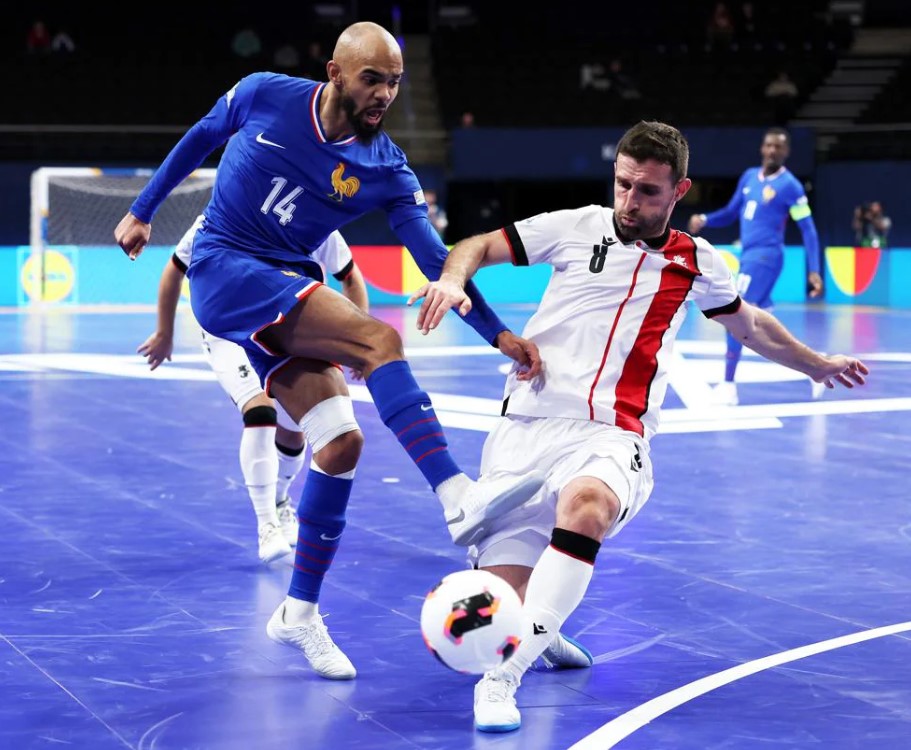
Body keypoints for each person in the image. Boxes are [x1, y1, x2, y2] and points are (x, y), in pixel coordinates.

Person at [114, 21, 544, 681]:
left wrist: (499, 335)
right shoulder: (264, 94)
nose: (385, 95)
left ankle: (298, 613)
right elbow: (202, 134)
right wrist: (143, 209)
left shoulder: (387, 169)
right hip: (225, 267)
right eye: (373, 79)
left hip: (286, 285)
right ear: (335, 73)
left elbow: (437, 262)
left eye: (395, 83)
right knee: (380, 339)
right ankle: (457, 495)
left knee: (340, 444)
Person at [409, 120, 869, 732]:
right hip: (525, 430)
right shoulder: (575, 226)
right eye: (623, 184)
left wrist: (817, 364)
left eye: (647, 191)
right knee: (499, 609)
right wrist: (450, 279)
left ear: (679, 191)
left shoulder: (696, 261)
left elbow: (752, 325)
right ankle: (540, 627)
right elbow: (478, 245)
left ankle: (503, 679)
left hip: (613, 433)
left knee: (588, 506)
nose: (629, 201)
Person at [139, 218, 368, 565]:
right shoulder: (217, 216)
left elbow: (350, 277)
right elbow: (174, 269)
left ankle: (279, 497)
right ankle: (267, 524)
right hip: (227, 327)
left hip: (286, 325)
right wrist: (164, 332)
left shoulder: (316, 219)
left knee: (294, 427)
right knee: (260, 411)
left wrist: (358, 340)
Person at [687, 127, 824, 405]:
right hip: (749, 256)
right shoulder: (749, 177)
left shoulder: (791, 186)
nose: (772, 150)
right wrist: (705, 219)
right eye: (769, 145)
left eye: (778, 147)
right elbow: (731, 213)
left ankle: (728, 385)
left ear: (786, 152)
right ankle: (815, 366)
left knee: (735, 314)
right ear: (762, 148)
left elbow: (808, 229)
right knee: (762, 325)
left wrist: (814, 269)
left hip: (766, 258)